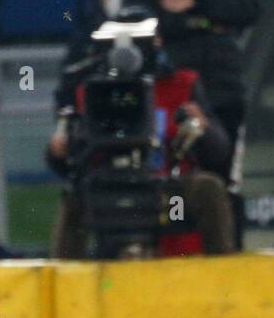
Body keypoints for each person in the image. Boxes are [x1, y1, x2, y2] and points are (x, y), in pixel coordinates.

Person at [122, 0, 264, 245]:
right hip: (173, 77)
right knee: (171, 169)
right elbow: (137, 8)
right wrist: (202, 19)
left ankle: (228, 262)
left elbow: (255, 3)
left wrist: (199, 7)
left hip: (223, 75)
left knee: (226, 175)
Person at [46, 25, 235, 257]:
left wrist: (203, 127)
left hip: (168, 193)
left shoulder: (182, 86)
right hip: (107, 188)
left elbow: (218, 151)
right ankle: (64, 285)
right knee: (74, 199)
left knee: (208, 188)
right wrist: (59, 150)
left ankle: (224, 277)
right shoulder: (89, 91)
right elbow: (67, 159)